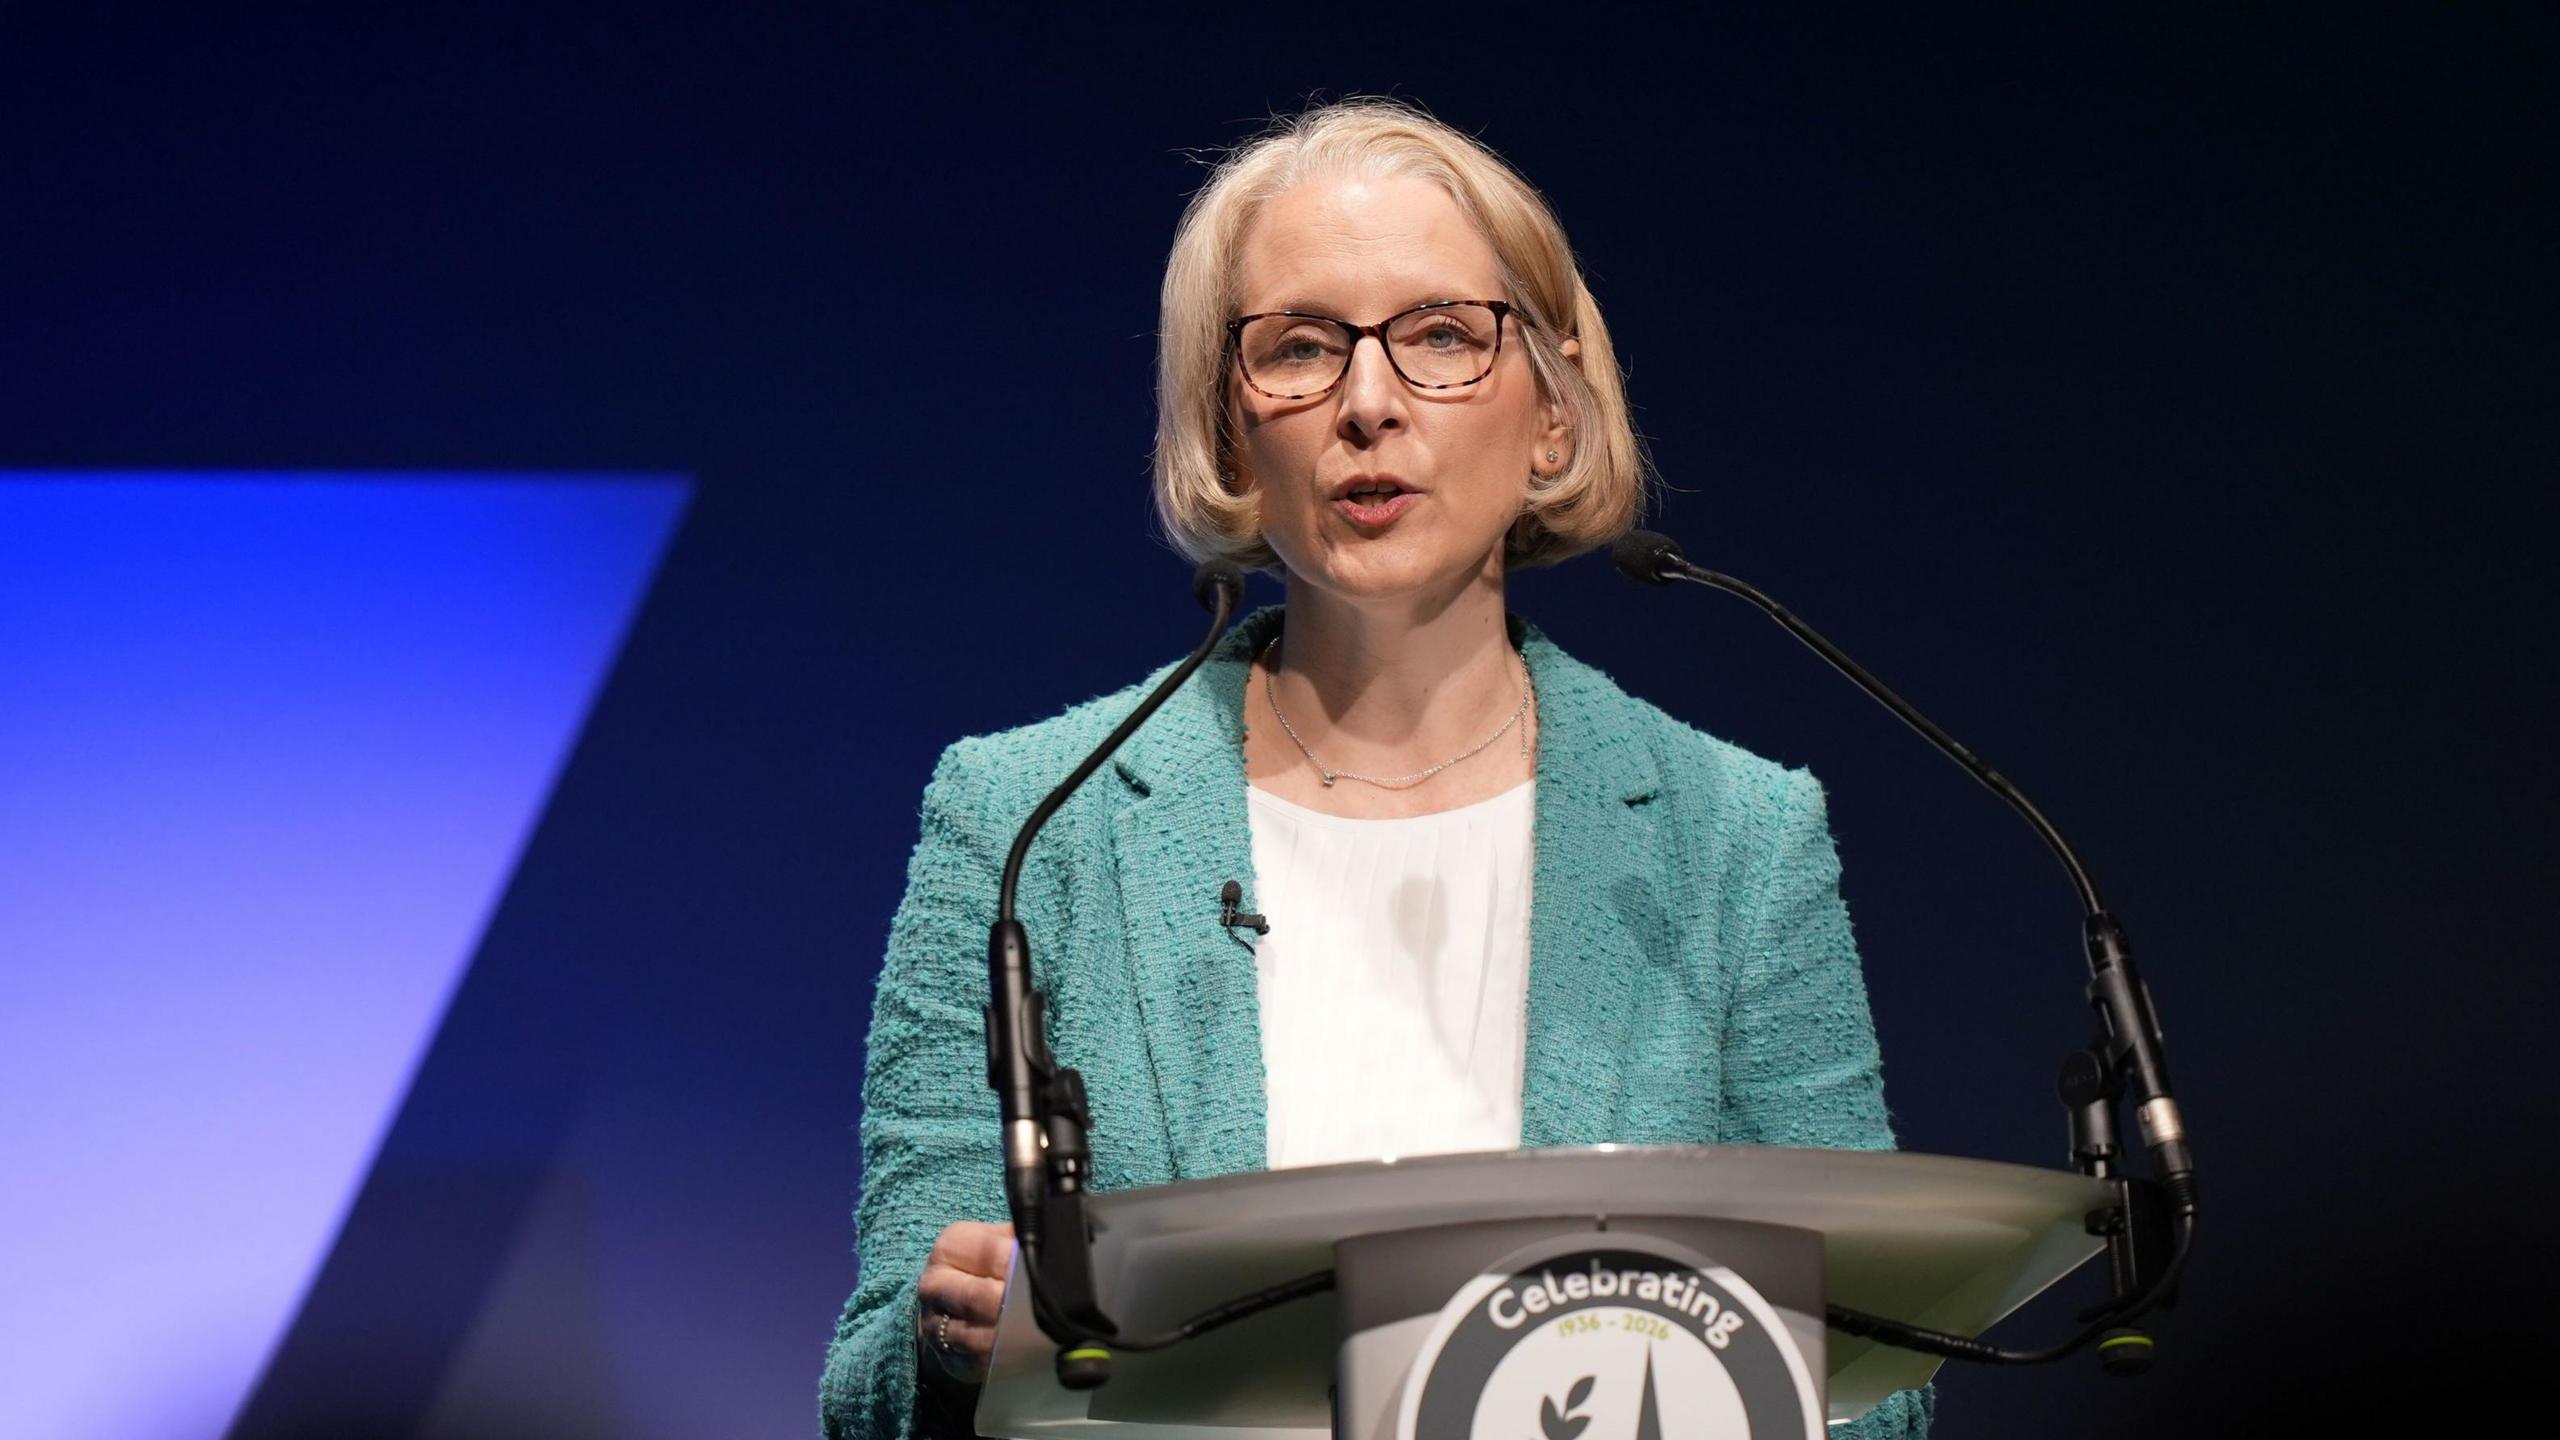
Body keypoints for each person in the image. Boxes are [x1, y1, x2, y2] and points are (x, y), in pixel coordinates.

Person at [821, 99, 1932, 1439]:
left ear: (1554, 413)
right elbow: (872, 1387)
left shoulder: (1739, 836)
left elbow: (1879, 1374)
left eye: (1442, 336)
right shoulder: (1023, 821)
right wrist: (952, 1350)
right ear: (1232, 430)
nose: (1367, 403)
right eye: (1299, 349)